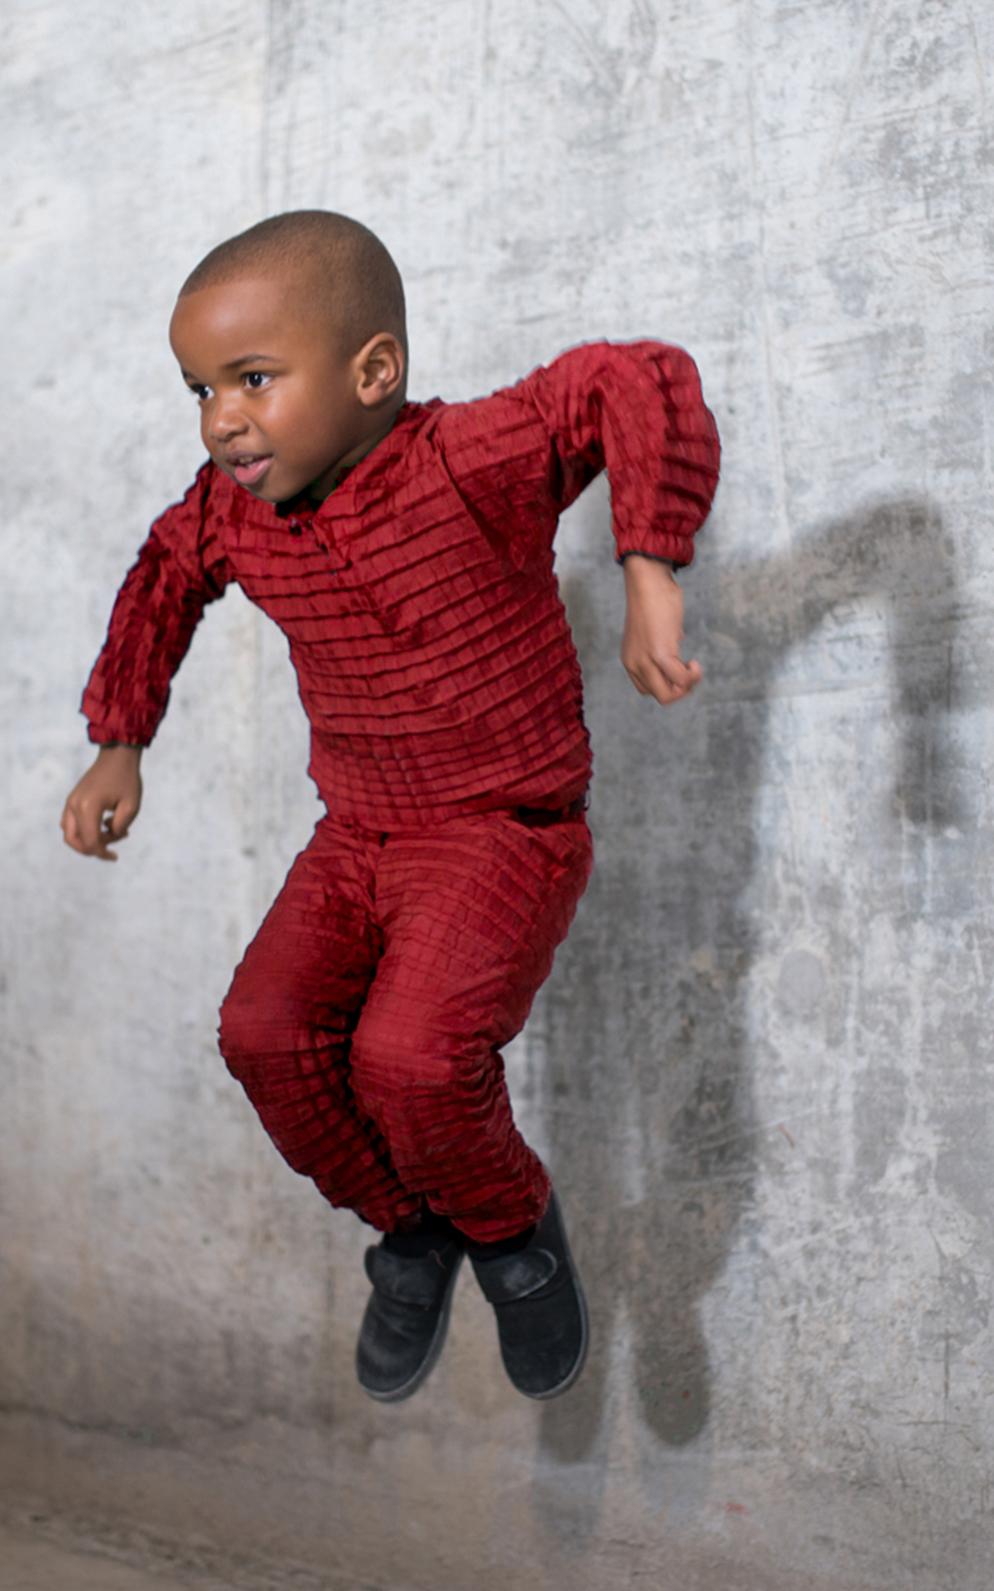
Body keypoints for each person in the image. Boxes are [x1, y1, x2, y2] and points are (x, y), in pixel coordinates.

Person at [60, 210, 721, 1403]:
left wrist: (648, 563)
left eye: (253, 379)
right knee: (263, 1033)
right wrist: (120, 741)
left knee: (411, 1061)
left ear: (374, 372)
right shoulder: (235, 512)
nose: (222, 420)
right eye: (201, 389)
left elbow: (633, 377)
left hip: (498, 835)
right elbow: (164, 573)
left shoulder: (469, 460)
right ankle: (412, 1228)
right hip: (356, 835)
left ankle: (513, 1236)